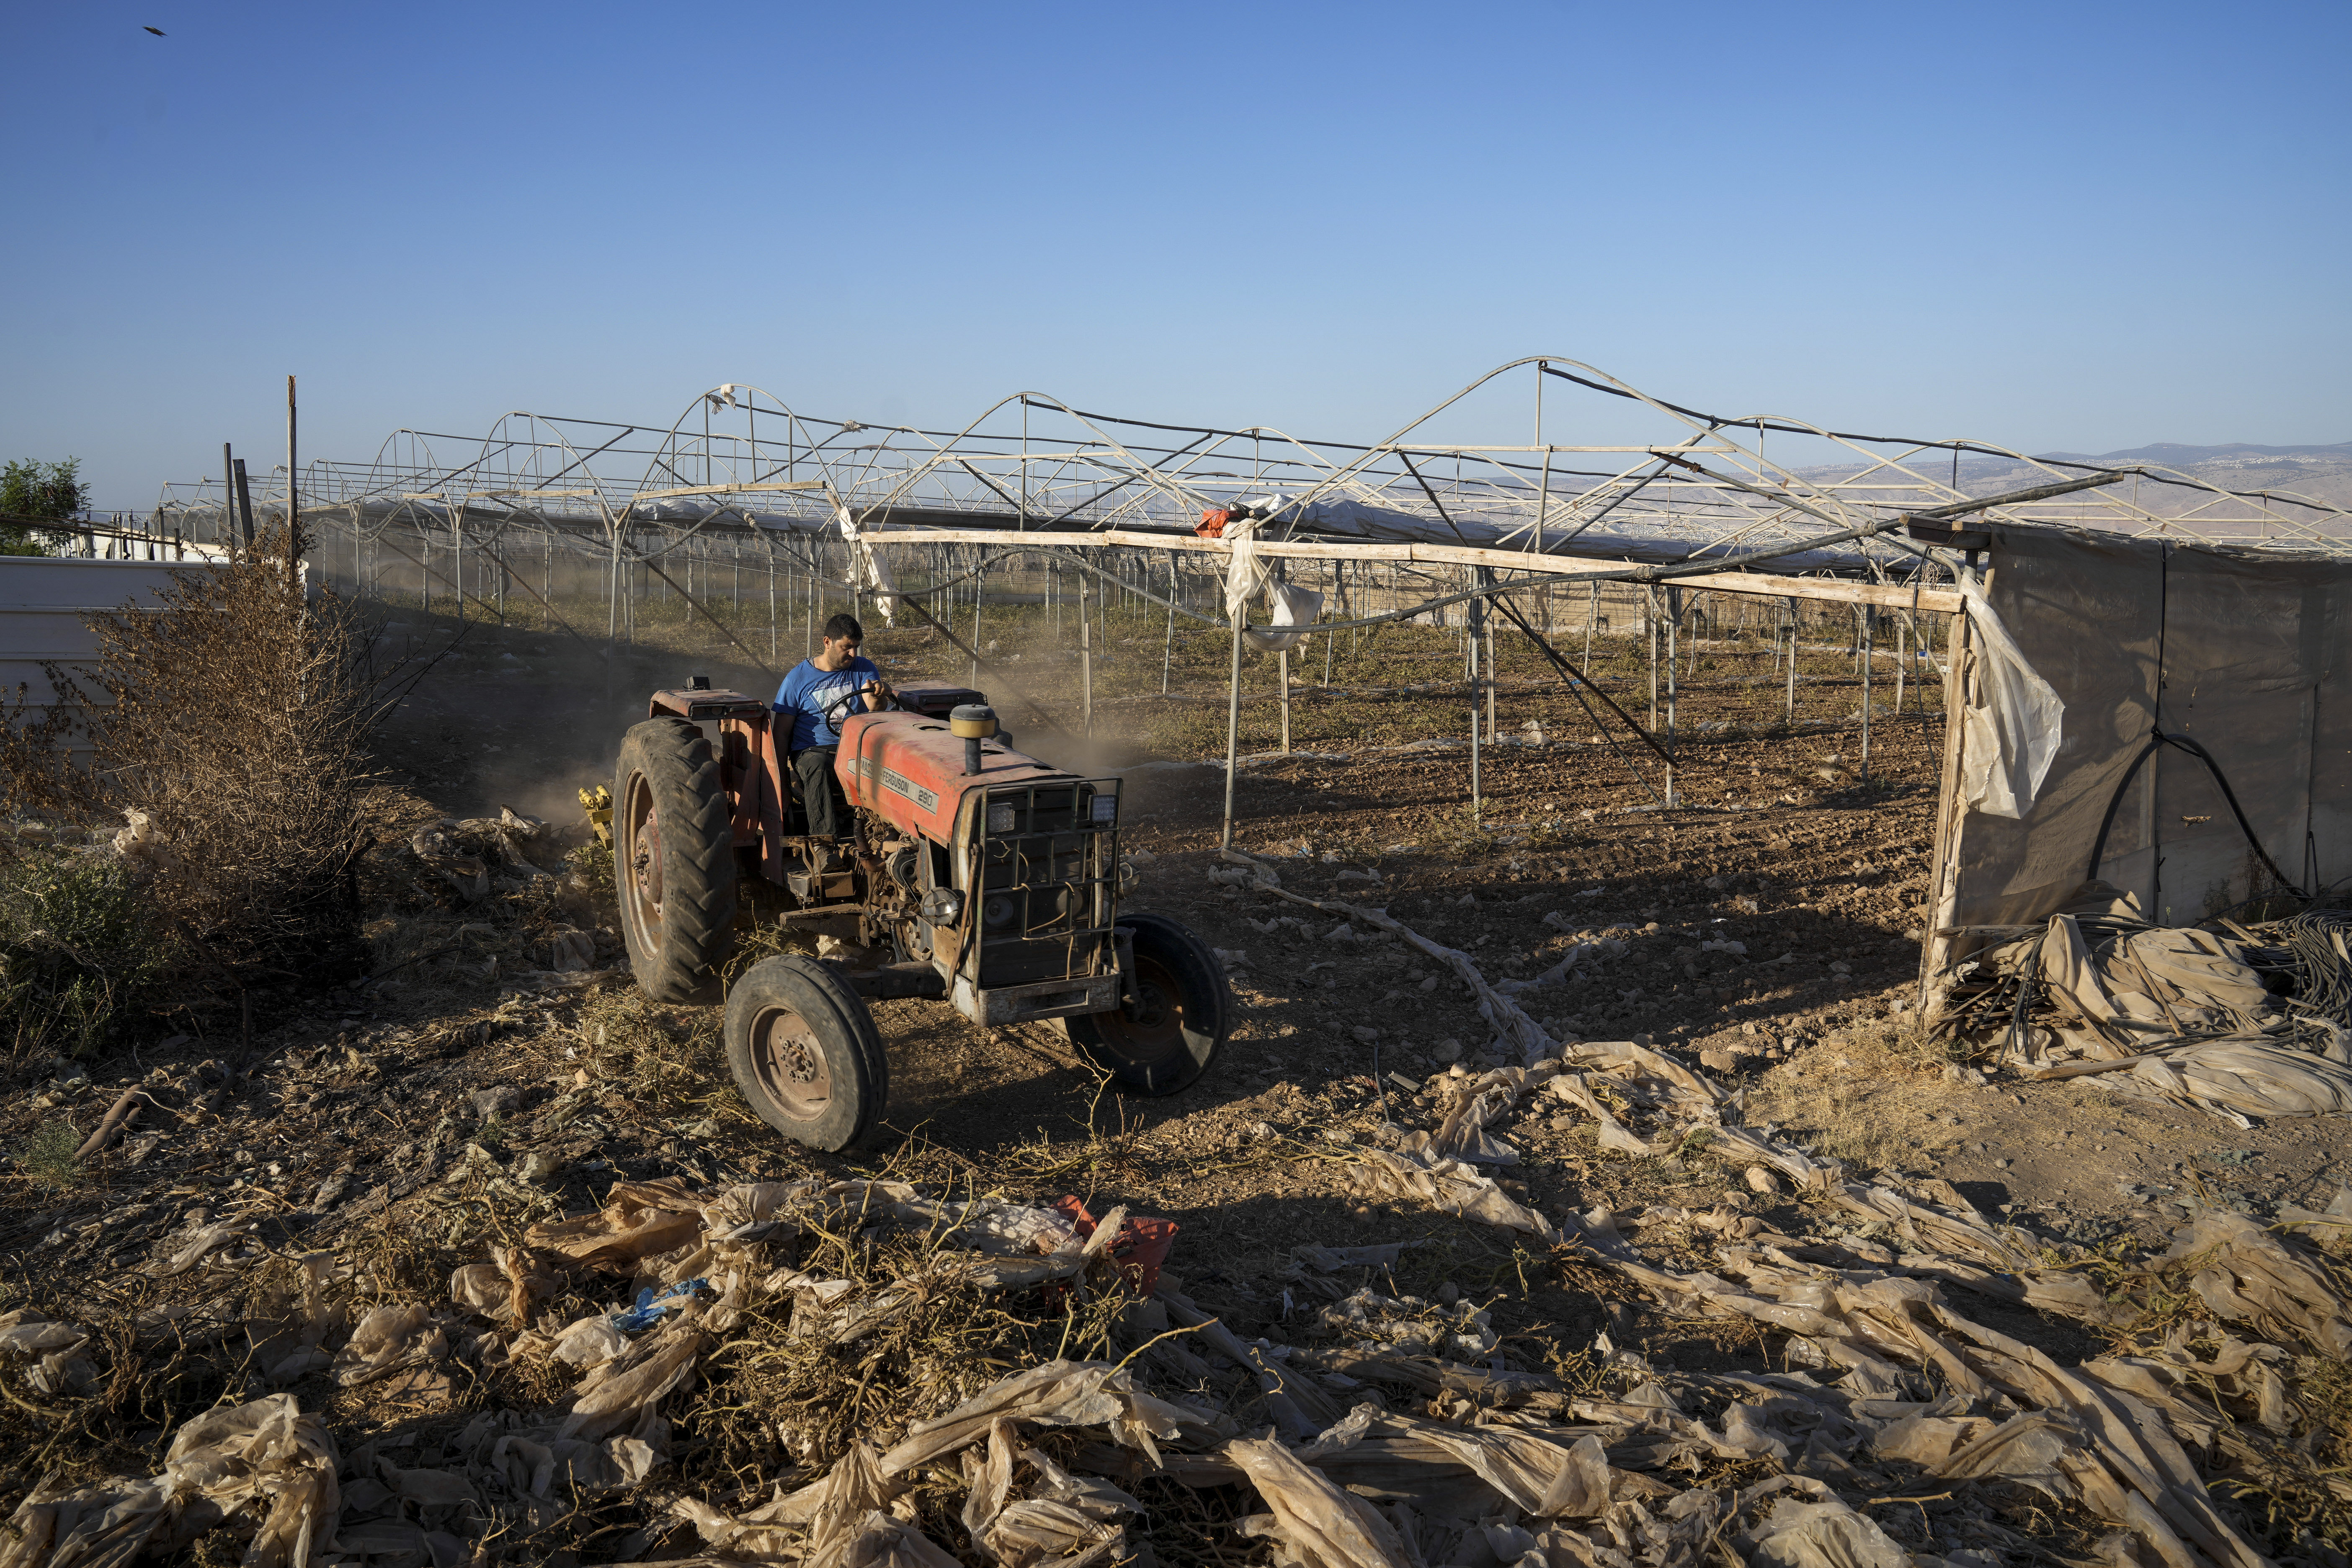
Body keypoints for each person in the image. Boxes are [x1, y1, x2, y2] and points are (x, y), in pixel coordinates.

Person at [772, 614, 895, 838]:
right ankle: (823, 843)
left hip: (855, 748)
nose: (853, 654)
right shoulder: (797, 679)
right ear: (827, 642)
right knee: (818, 765)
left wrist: (879, 693)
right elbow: (781, 733)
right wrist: (781, 780)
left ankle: (887, 835)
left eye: (856, 647)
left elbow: (875, 708)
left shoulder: (863, 668)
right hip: (813, 750)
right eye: (847, 647)